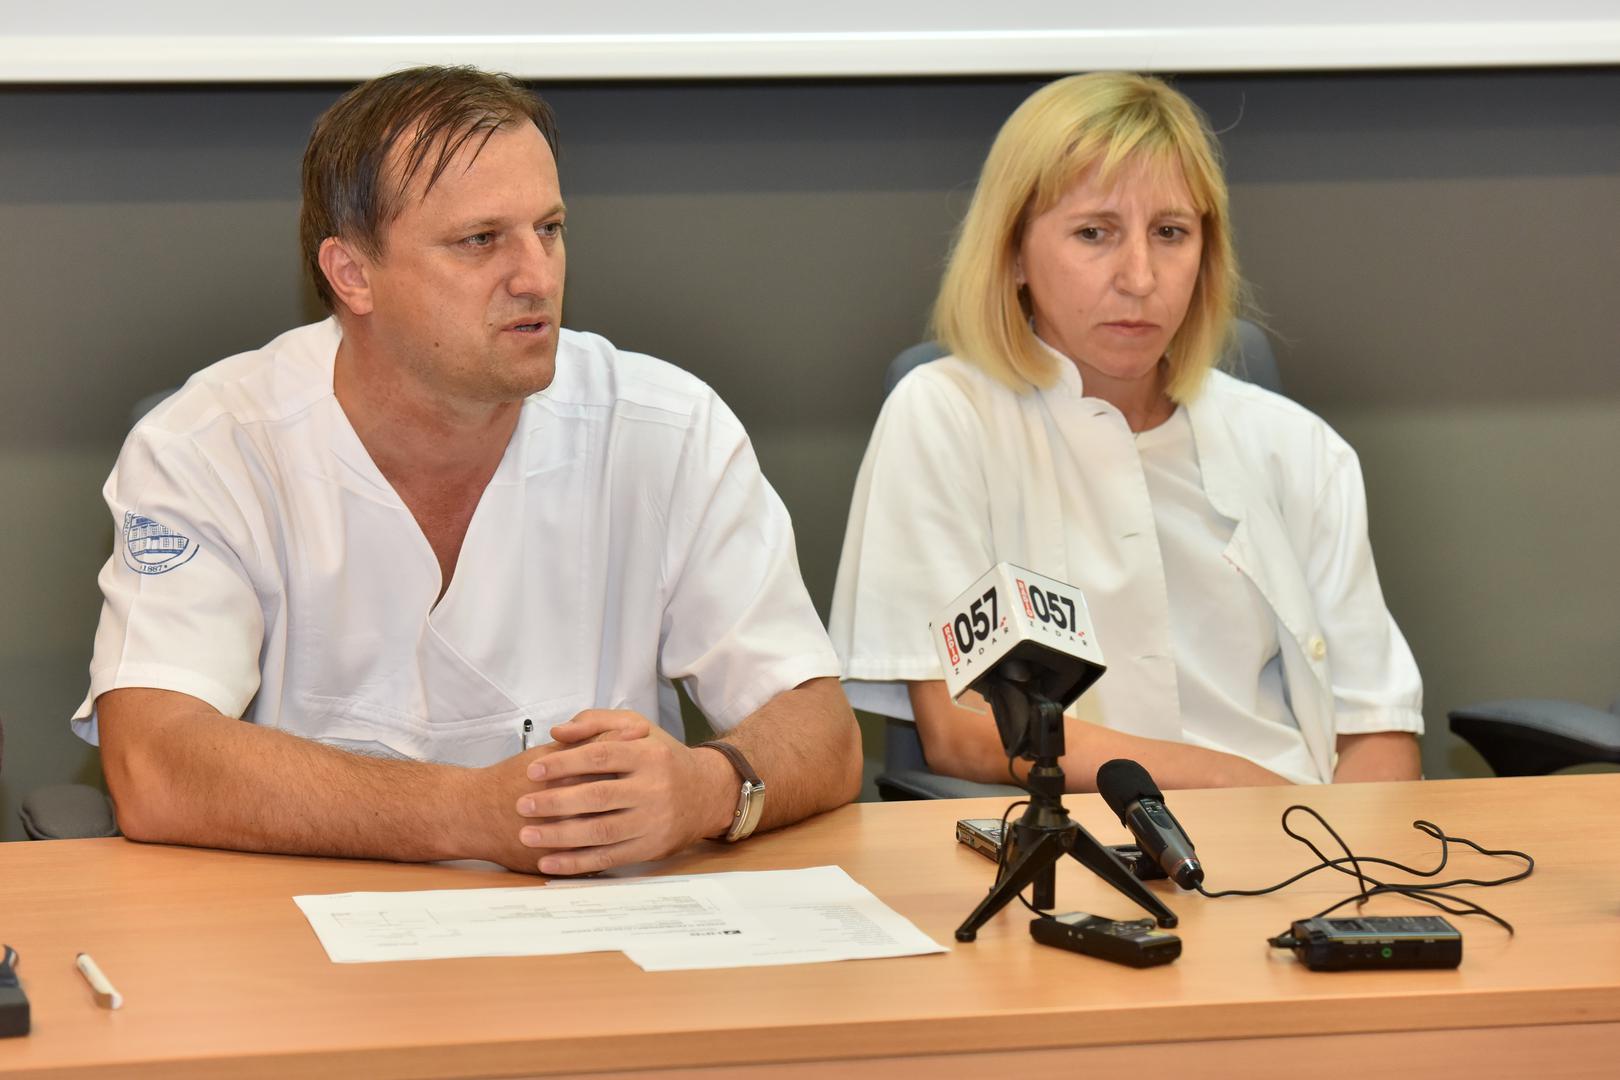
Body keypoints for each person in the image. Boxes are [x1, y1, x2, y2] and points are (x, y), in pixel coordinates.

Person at [74, 66, 862, 874]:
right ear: (352, 275)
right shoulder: (211, 444)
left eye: (548, 229)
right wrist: (468, 814)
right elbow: (153, 761)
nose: (537, 277)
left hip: (603, 927)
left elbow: (820, 727)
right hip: (301, 927)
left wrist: (708, 788)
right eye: (480, 240)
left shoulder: (668, 426)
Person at [829, 72, 1422, 791]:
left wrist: (1336, 848)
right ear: (1013, 254)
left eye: (1170, 233)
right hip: (1079, 839)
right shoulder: (946, 415)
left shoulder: (1300, 448)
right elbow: (964, 729)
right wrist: (1243, 791)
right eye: (1094, 233)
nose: (1140, 277)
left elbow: (1377, 731)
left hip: (1296, 836)